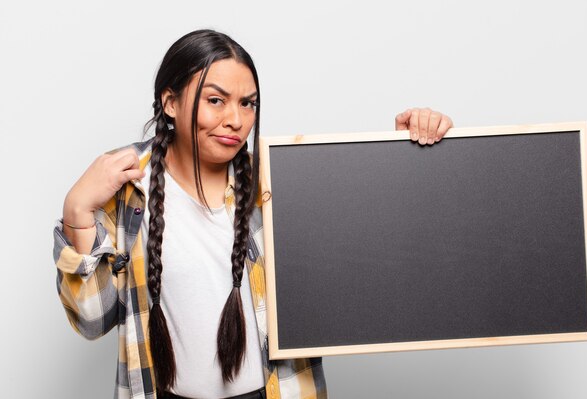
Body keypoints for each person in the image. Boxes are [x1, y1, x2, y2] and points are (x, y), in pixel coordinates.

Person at [52, 29, 454, 399]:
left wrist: (407, 154)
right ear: (170, 102)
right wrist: (77, 209)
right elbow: (92, 320)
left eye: (248, 103)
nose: (236, 120)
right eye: (216, 100)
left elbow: (371, 257)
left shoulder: (276, 180)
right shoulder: (127, 184)